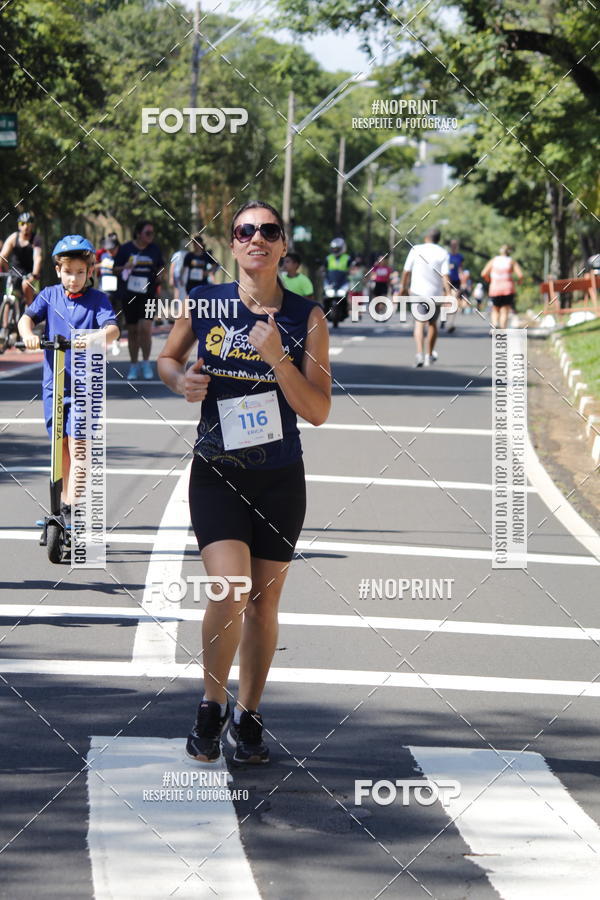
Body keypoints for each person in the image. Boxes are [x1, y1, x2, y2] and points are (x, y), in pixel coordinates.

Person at [157, 200, 331, 765]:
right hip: (217, 472)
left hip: (280, 477)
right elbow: (166, 358)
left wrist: (279, 358)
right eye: (245, 231)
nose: (256, 239)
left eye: (269, 231)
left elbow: (319, 410)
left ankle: (249, 714)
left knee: (262, 605)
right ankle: (211, 703)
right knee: (228, 590)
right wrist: (180, 379)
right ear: (232, 244)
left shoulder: (307, 318)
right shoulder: (206, 305)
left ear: (283, 246)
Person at [18, 235, 119, 524]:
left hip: (86, 386)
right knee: (59, 447)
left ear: (90, 272)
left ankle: (72, 510)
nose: (73, 278)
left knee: (79, 446)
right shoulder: (49, 295)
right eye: (67, 271)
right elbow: (27, 318)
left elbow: (112, 329)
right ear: (58, 270)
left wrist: (94, 337)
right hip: (55, 385)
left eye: (79, 272)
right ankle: (64, 508)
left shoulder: (98, 300)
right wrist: (28, 335)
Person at [114, 220, 164, 380]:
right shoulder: (126, 248)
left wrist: (160, 275)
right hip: (129, 295)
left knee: (145, 328)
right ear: (138, 233)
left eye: (152, 233)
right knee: (133, 331)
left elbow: (161, 266)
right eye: (147, 233)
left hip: (148, 296)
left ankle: (146, 362)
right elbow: (115, 268)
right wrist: (125, 268)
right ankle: (134, 365)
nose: (151, 236)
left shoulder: (154, 249)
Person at [400, 228, 451, 367]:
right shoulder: (443, 252)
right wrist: (448, 294)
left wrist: (403, 288)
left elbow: (406, 271)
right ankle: (429, 355)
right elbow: (445, 275)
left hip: (418, 291)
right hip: (435, 293)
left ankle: (419, 354)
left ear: (426, 238)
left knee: (419, 322)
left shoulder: (416, 249)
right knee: (432, 323)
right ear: (438, 239)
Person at [0, 212, 43, 306]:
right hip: (15, 272)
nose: (25, 226)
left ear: (32, 225)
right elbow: (2, 256)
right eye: (22, 224)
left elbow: (37, 258)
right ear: (18, 225)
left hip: (30, 273)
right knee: (8, 295)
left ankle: (30, 313)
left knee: (26, 285)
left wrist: (34, 274)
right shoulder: (13, 238)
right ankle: (5, 320)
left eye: (28, 223)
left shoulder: (36, 239)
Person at [481, 244, 523, 330]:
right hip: (508, 288)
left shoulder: (494, 261)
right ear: (509, 252)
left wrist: (489, 279)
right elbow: (520, 275)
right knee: (505, 310)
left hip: (495, 288)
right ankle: (502, 330)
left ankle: (495, 325)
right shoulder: (511, 261)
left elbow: (483, 273)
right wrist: (519, 282)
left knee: (495, 309)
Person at [96, 234, 122, 355]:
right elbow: (92, 266)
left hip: (118, 291)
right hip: (104, 291)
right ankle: (103, 341)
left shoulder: (121, 256)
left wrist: (119, 268)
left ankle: (116, 340)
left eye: (113, 248)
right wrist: (101, 265)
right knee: (104, 316)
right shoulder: (101, 255)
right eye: (108, 249)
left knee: (117, 315)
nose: (110, 251)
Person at [323, 237, 351, 321]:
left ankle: (345, 311)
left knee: (345, 297)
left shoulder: (347, 258)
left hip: (342, 281)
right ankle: (324, 311)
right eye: (334, 249)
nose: (335, 250)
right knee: (325, 296)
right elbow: (324, 268)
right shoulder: (328, 258)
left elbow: (352, 268)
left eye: (337, 249)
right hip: (331, 281)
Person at [445, 239, 464, 333]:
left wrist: (463, 281)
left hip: (456, 281)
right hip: (446, 280)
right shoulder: (446, 256)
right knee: (446, 302)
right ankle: (444, 317)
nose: (454, 246)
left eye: (455, 245)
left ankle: (451, 323)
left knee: (454, 300)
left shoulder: (460, 257)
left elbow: (460, 269)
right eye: (452, 245)